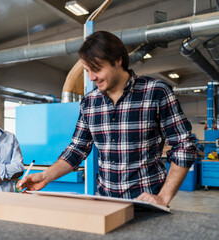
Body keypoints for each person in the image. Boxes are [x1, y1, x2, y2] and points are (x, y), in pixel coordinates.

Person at [17, 31, 197, 206]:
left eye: (96, 69)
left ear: (118, 60)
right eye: (87, 70)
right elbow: (77, 148)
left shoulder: (156, 92)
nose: (91, 77)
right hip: (105, 202)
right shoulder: (89, 102)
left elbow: (184, 145)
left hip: (146, 202)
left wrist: (163, 197)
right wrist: (44, 176)